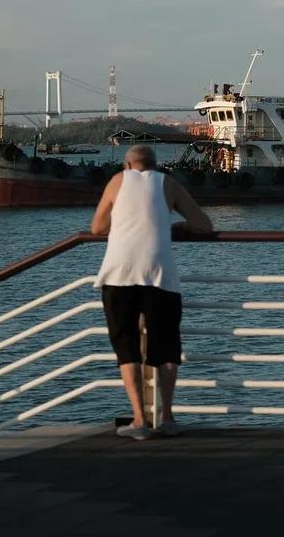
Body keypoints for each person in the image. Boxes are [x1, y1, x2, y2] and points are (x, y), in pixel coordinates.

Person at [91, 144, 213, 440]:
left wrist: (123, 224)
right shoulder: (167, 183)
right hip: (161, 275)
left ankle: (139, 420)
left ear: (127, 165)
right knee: (167, 346)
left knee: (126, 346)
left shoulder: (118, 181)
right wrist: (174, 226)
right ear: (156, 166)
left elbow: (96, 228)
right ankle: (167, 417)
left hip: (119, 274)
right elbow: (204, 225)